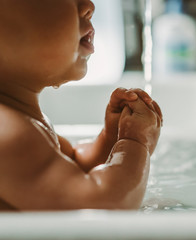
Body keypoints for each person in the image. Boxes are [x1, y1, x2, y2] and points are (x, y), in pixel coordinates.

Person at [0, 0, 162, 210]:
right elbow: (101, 204)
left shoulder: (16, 121)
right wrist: (135, 140)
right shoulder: (7, 133)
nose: (89, 6)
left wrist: (111, 140)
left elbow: (73, 165)